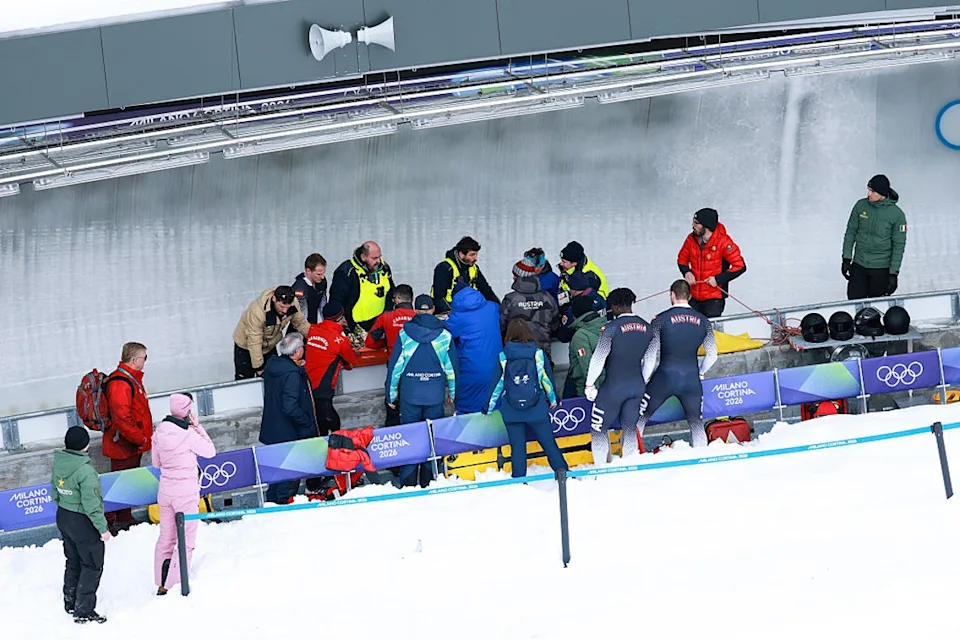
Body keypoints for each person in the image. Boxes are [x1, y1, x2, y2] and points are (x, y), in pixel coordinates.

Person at [635, 280, 719, 448]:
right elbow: (712, 355)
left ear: (672, 295)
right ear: (690, 296)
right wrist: (701, 373)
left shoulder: (660, 320)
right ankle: (702, 456)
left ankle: (632, 456)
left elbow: (650, 357)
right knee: (696, 424)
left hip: (664, 378)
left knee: (639, 419)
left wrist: (643, 380)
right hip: (691, 379)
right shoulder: (704, 321)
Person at [386, 294, 458, 487]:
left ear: (415, 310)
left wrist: (391, 395)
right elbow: (451, 370)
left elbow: (395, 368)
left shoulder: (404, 334)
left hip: (410, 396)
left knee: (410, 438)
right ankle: (429, 481)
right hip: (434, 396)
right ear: (433, 310)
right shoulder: (445, 336)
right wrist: (453, 394)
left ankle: (408, 483)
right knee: (432, 439)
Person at [484, 319, 567, 480]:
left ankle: (519, 481)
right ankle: (563, 476)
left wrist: (488, 407)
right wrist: (553, 400)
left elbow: (497, 384)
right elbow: (546, 380)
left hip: (512, 410)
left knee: (517, 449)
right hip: (537, 408)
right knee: (549, 444)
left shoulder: (503, 356)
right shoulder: (538, 354)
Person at [584, 288, 658, 465]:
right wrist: (642, 380)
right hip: (636, 386)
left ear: (615, 307)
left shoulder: (610, 328)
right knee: (630, 429)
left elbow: (598, 358)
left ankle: (600, 470)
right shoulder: (648, 329)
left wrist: (589, 385)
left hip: (613, 387)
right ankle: (629, 467)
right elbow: (650, 361)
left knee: (599, 429)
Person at [152, 393, 216, 596]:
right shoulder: (188, 434)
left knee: (166, 538)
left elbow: (156, 463)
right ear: (187, 411)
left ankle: (161, 582)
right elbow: (210, 451)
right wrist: (198, 427)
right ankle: (175, 584)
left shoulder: (159, 431)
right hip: (186, 493)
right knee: (186, 540)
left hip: (165, 491)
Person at [52, 426, 111, 624]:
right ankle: (84, 610)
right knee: (92, 563)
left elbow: (54, 493)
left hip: (64, 516)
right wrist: (103, 529)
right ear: (85, 446)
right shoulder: (86, 471)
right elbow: (92, 505)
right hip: (82, 521)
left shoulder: (59, 464)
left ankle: (70, 601)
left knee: (73, 560)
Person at [259, 333, 319, 504]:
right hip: (288, 432)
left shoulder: (273, 367)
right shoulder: (292, 373)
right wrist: (307, 421)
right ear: (298, 351)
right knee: (289, 477)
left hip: (273, 429)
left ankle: (271, 506)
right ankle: (282, 507)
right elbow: (290, 407)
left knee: (276, 476)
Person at [103, 341, 152, 535]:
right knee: (119, 482)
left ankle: (124, 517)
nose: (145, 361)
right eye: (145, 357)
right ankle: (110, 521)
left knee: (128, 480)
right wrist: (140, 439)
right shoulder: (120, 383)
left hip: (130, 443)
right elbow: (122, 418)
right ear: (135, 360)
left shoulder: (130, 379)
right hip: (123, 443)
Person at [842, 174, 908, 300]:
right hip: (859, 265)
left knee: (876, 306)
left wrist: (893, 273)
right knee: (855, 303)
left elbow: (899, 246)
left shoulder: (897, 215)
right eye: (868, 190)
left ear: (882, 193)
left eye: (872, 191)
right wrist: (846, 259)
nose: (868, 194)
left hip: (881, 269)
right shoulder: (860, 206)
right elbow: (850, 232)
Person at [443, 282, 502, 415]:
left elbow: (444, 333)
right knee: (495, 408)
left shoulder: (457, 318)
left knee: (468, 411)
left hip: (471, 371)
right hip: (497, 368)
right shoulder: (493, 308)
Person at [677, 207, 746, 318]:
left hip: (714, 299)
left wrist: (718, 279)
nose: (692, 225)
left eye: (696, 223)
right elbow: (682, 259)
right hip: (693, 297)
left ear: (706, 226)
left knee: (711, 327)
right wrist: (687, 272)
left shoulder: (724, 242)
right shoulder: (691, 239)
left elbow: (740, 266)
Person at [233, 285, 311, 379]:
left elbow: (301, 324)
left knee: (274, 375)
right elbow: (254, 341)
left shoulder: (293, 304)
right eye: (281, 306)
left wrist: (315, 338)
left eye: (287, 307)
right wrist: (259, 367)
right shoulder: (257, 312)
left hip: (269, 345)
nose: (285, 310)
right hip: (246, 347)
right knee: (246, 379)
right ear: (274, 299)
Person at [365, 284, 416, 426]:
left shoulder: (386, 317)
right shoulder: (418, 317)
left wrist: (386, 343)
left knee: (392, 403)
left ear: (397, 299)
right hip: (416, 368)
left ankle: (394, 432)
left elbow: (370, 342)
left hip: (395, 367)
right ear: (412, 299)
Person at [304, 301, 357, 436]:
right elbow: (350, 364)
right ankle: (336, 441)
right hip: (324, 385)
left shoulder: (312, 330)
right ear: (340, 318)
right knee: (330, 418)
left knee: (319, 418)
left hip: (307, 382)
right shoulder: (340, 340)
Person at [329, 241, 396, 331]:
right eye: (374, 258)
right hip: (355, 326)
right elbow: (336, 301)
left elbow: (391, 293)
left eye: (379, 257)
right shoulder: (346, 272)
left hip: (379, 324)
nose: (378, 261)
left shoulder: (384, 268)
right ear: (363, 257)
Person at [431, 236, 499, 315]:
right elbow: (439, 297)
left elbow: (486, 289)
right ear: (461, 254)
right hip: (447, 311)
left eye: (476, 254)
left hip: (468, 309)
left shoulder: (473, 268)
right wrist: (454, 314)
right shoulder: (445, 268)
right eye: (472, 255)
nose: (476, 258)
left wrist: (499, 306)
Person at [500, 274, 560, 356]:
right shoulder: (547, 297)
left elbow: (502, 324)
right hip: (542, 349)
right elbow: (555, 323)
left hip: (515, 351)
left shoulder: (510, 299)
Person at [564, 295, 607, 399]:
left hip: (587, 390)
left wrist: (593, 392)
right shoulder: (607, 327)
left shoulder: (580, 336)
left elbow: (586, 365)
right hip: (606, 385)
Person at [556, 270, 606, 343]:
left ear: (575, 291)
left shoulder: (578, 306)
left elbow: (564, 335)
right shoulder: (598, 297)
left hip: (584, 340)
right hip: (602, 337)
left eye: (570, 288)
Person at [291, 253, 328, 324]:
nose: (322, 277)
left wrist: (327, 324)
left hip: (313, 323)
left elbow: (323, 305)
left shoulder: (322, 282)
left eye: (323, 273)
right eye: (318, 274)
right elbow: (302, 314)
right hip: (299, 326)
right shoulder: (300, 288)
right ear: (308, 271)